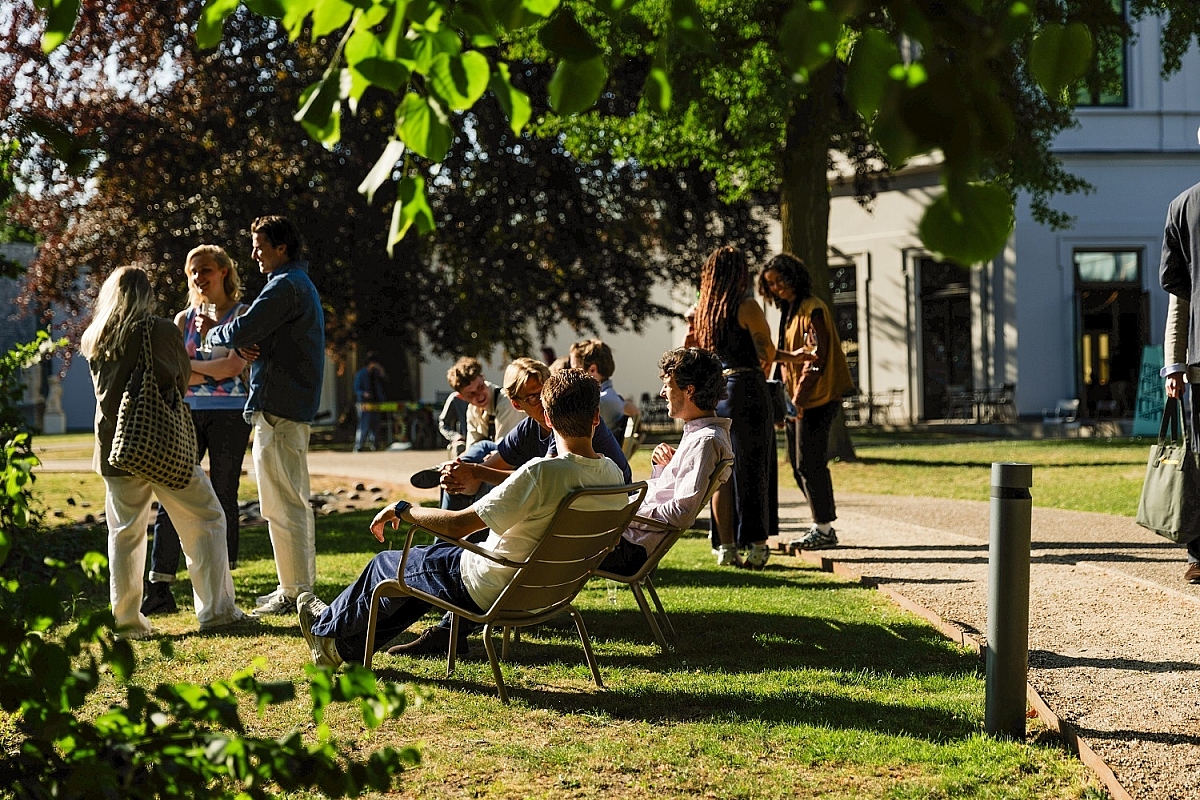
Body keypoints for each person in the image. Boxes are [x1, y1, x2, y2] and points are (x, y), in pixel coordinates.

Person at [294, 368, 629, 668]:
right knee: (418, 576)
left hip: (490, 584)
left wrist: (404, 509)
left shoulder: (542, 473)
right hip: (549, 593)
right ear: (595, 417)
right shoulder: (613, 475)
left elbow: (457, 525)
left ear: (549, 420)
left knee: (385, 564)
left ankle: (324, 626)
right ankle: (340, 649)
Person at [392, 358, 632, 656]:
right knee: (483, 459)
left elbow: (533, 481)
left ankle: (346, 641)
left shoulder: (560, 449)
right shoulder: (559, 442)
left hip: (536, 570)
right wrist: (468, 472)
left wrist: (407, 509)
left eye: (543, 392)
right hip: (563, 571)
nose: (543, 400)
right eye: (533, 396)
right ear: (517, 404)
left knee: (410, 561)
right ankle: (447, 624)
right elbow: (501, 467)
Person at [81, 266, 246, 638]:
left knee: (124, 534)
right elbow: (179, 379)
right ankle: (217, 610)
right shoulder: (160, 330)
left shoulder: (96, 336)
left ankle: (127, 622)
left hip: (115, 447)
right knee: (206, 518)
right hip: (162, 444)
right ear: (146, 295)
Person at [202, 215, 325, 616]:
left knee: (283, 505)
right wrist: (252, 341)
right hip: (286, 409)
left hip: (279, 410)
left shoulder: (285, 285)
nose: (254, 254)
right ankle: (294, 589)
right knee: (285, 504)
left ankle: (296, 594)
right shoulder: (296, 284)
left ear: (281, 248)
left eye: (259, 246)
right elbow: (259, 334)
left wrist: (214, 333)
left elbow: (242, 330)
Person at [142, 246, 252, 616]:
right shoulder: (182, 319)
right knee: (172, 491)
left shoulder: (242, 315)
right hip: (186, 412)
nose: (198, 277)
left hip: (230, 414)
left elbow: (233, 368)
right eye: (192, 271)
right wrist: (209, 370)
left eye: (205, 270)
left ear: (223, 272)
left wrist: (195, 368)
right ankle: (159, 587)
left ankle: (223, 584)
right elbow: (174, 370)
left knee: (224, 493)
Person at [598, 347, 733, 576]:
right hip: (627, 538)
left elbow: (681, 512)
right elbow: (667, 496)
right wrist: (662, 469)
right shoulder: (700, 435)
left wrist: (626, 514)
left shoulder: (705, 441)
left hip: (629, 546)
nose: (662, 393)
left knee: (552, 536)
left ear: (689, 390)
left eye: (668, 386)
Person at [760, 253, 854, 552]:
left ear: (795, 276)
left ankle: (824, 529)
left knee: (810, 464)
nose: (777, 287)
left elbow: (816, 358)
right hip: (797, 400)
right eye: (771, 284)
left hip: (817, 398)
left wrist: (798, 400)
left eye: (780, 280)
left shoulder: (812, 309)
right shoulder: (789, 311)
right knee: (799, 466)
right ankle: (822, 525)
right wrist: (780, 404)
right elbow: (784, 360)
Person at [693, 245, 776, 569]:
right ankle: (757, 546)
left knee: (722, 472)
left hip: (718, 392)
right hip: (747, 389)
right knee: (753, 467)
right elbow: (766, 352)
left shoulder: (705, 311)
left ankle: (726, 547)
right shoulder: (746, 305)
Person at [1159, 176, 1200, 583]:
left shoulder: (1181, 205)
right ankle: (1198, 553)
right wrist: (1173, 363)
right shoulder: (1185, 207)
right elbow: (1180, 295)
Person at [569, 338, 640, 435]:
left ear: (593, 370)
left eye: (575, 369)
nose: (571, 374)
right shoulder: (611, 397)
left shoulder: (599, 401)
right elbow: (634, 410)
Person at [353, 351, 387, 452]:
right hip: (364, 403)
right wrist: (364, 394)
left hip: (375, 402)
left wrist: (380, 370)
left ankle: (374, 443)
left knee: (375, 424)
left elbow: (384, 378)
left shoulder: (376, 374)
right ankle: (359, 445)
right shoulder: (361, 374)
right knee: (364, 424)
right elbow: (356, 389)